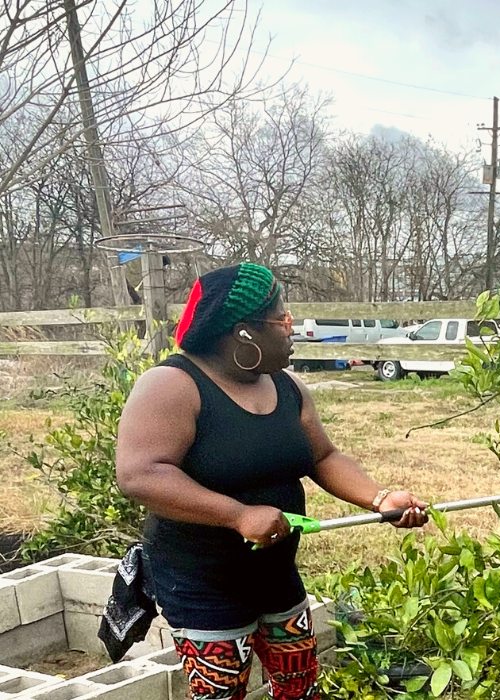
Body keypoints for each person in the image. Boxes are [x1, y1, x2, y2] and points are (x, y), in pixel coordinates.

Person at [116, 263, 428, 700]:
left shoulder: (287, 386)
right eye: (281, 320)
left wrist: (380, 498)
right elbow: (140, 474)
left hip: (276, 574)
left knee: (299, 685)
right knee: (220, 695)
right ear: (243, 332)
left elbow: (324, 456)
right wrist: (237, 515)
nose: (291, 327)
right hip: (201, 582)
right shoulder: (172, 385)